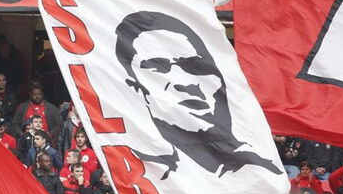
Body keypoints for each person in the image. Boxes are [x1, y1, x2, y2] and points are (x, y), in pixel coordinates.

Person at [114, 11, 281, 178]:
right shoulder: (132, 170)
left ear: (221, 76)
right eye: (159, 68)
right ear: (135, 87)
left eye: (195, 65)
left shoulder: (264, 171)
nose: (186, 83)